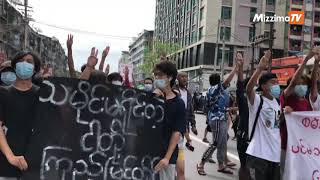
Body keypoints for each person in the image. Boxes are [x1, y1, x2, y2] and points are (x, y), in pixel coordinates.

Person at [0, 51, 41, 179]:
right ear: (14, 66)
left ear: (35, 69)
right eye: (21, 61)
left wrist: (89, 68)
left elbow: (72, 97)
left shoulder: (43, 95)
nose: (24, 64)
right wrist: (10, 156)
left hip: (34, 166)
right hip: (6, 165)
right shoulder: (2, 93)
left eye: (29, 62)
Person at [279, 48, 318, 178]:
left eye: (303, 84)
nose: (301, 86)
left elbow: (313, 83)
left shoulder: (307, 103)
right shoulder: (286, 97)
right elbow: (295, 81)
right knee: (286, 174)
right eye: (298, 84)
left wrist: (317, 62)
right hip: (287, 145)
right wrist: (306, 59)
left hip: (303, 149)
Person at [196, 60, 237, 176]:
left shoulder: (220, 92)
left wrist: (231, 109)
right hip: (217, 120)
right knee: (215, 143)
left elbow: (219, 107)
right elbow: (227, 81)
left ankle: (221, 165)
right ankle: (201, 164)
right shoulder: (214, 89)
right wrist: (236, 68)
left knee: (222, 143)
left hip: (221, 118)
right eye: (221, 80)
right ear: (218, 81)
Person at [246, 50, 281, 180]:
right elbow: (248, 89)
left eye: (277, 82)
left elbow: (276, 126)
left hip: (275, 156)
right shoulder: (258, 101)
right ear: (263, 86)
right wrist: (260, 68)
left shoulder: (277, 103)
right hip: (258, 155)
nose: (277, 85)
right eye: (273, 82)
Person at [153, 61, 186, 180]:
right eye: (155, 75)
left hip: (166, 157)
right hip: (147, 153)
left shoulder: (178, 103)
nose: (157, 78)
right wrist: (152, 99)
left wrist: (167, 158)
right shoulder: (150, 98)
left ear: (170, 77)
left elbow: (177, 132)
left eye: (160, 75)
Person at [173, 72, 198, 180]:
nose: (185, 79)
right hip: (171, 132)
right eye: (182, 77)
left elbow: (190, 111)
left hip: (182, 131)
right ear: (177, 79)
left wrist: (193, 125)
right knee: (171, 165)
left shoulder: (188, 93)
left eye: (186, 77)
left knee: (180, 169)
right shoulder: (173, 91)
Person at [235, 53, 251, 180]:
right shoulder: (243, 98)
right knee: (244, 166)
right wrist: (240, 68)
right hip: (244, 137)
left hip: (256, 139)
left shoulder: (260, 100)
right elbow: (240, 86)